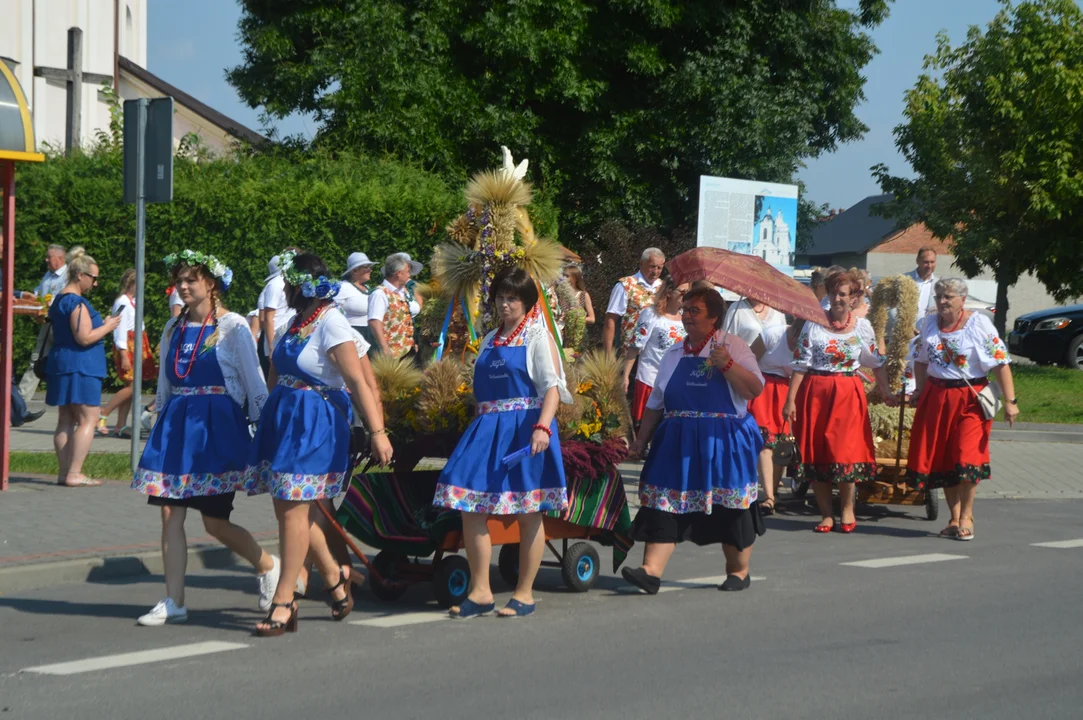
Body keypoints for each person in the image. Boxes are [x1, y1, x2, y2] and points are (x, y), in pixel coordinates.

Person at [247, 251, 393, 637]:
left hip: (317, 423)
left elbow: (359, 381)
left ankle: (285, 600)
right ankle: (333, 577)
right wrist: (265, 419)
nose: (285, 289)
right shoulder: (296, 322)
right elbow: (276, 373)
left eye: (290, 284)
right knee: (288, 510)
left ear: (304, 285)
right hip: (286, 420)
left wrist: (377, 433)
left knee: (296, 510)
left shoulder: (332, 323)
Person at [131, 250, 280, 626]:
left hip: (215, 430)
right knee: (170, 514)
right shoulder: (172, 329)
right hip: (178, 428)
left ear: (211, 285)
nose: (182, 287)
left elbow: (255, 384)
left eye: (190, 280)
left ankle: (267, 565)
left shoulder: (232, 328)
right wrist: (157, 422)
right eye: (179, 280)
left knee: (214, 522)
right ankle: (174, 601)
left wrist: (266, 430)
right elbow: (165, 386)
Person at [434, 267, 571, 618]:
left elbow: (552, 388)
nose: (505, 304)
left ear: (526, 303)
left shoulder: (538, 337)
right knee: (470, 506)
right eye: (500, 297)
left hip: (525, 429)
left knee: (528, 512)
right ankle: (481, 591)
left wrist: (543, 428)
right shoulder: (491, 338)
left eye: (512, 298)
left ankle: (524, 593)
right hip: (487, 428)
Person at [621, 286, 765, 594]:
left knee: (730, 506)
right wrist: (640, 441)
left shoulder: (734, 347)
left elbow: (754, 389)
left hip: (723, 441)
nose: (686, 316)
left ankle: (738, 571)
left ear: (714, 317)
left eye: (694, 311)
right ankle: (651, 571)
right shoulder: (673, 352)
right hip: (677, 441)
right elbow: (656, 403)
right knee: (664, 503)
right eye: (685, 310)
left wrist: (727, 365)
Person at [907, 278, 1017, 541]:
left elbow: (1000, 363)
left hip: (970, 398)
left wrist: (1011, 402)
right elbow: (921, 360)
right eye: (939, 296)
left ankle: (967, 515)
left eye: (948, 296)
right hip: (937, 397)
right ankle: (954, 518)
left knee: (967, 456)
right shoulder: (929, 325)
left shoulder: (978, 324)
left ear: (962, 299)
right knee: (944, 458)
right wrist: (920, 390)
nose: (942, 301)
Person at [783, 271, 894, 533]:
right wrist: (790, 401)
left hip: (847, 393)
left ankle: (846, 509)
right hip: (816, 392)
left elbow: (875, 362)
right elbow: (800, 365)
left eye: (843, 294)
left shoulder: (862, 327)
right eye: (833, 293)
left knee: (845, 452)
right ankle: (825, 514)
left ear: (854, 298)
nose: (837, 299)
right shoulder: (814, 324)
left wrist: (886, 391)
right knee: (818, 452)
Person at [45, 248, 121, 487]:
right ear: (81, 275)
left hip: (61, 362)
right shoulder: (76, 302)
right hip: (81, 365)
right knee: (88, 419)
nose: (95, 284)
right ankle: (75, 473)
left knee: (65, 419)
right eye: (94, 278)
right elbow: (85, 337)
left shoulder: (59, 300)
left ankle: (64, 471)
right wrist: (109, 326)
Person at [623, 274, 687, 431]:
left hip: (676, 381)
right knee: (646, 427)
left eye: (688, 293)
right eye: (682, 292)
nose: (685, 296)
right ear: (670, 292)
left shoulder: (686, 318)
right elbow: (635, 346)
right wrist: (625, 376)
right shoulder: (651, 314)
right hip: (651, 379)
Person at [97, 269, 157, 438]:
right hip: (127, 347)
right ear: (132, 283)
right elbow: (119, 328)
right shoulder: (122, 302)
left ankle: (121, 425)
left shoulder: (134, 301)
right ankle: (104, 412)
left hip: (136, 345)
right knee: (132, 386)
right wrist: (123, 354)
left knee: (131, 387)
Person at [748, 322, 793, 515]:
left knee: (782, 445)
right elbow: (749, 360)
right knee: (765, 444)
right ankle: (768, 497)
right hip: (764, 387)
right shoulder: (773, 334)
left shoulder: (811, 339)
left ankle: (772, 493)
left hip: (787, 390)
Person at [18, 244, 69, 400]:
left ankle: (69, 401)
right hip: (47, 324)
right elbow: (38, 294)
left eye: (49, 257)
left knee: (64, 362)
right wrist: (34, 305)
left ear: (60, 258)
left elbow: (65, 300)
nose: (46, 259)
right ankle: (19, 405)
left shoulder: (68, 276)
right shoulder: (48, 275)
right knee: (36, 360)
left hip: (64, 325)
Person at [602, 248, 665, 353]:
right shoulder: (625, 285)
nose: (655, 272)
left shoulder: (663, 287)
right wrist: (608, 354)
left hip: (655, 354)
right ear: (641, 264)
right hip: (629, 352)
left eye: (659, 268)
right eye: (652, 266)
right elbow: (611, 319)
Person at [368, 252, 422, 359]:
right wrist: (384, 348)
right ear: (398, 273)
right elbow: (374, 322)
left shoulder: (401, 292)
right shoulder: (380, 293)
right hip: (391, 354)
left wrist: (411, 342)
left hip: (407, 351)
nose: (409, 275)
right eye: (407, 272)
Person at [257, 254, 296, 377]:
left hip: (286, 339)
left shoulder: (286, 282)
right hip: (277, 341)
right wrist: (271, 347)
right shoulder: (275, 284)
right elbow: (267, 318)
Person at [336, 251, 376, 343]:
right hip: (352, 334)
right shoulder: (343, 287)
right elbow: (335, 312)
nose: (370, 270)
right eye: (366, 267)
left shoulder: (367, 288)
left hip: (370, 334)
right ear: (354, 270)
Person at [905, 247, 939, 322]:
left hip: (928, 331)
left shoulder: (939, 285)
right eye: (926, 262)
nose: (929, 266)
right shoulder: (905, 280)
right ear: (917, 261)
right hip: (906, 330)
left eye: (932, 262)